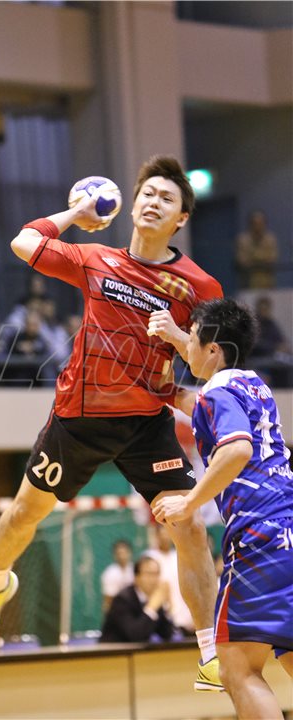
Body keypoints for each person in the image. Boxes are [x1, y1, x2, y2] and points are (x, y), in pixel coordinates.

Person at [0, 155, 224, 690]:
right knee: (23, 516)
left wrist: (178, 340)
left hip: (147, 422)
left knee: (191, 527)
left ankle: (209, 653)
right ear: (131, 203)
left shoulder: (199, 287)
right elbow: (24, 243)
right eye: (147, 193)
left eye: (166, 198)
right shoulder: (95, 258)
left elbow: (211, 365)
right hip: (79, 418)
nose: (153, 202)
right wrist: (76, 213)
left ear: (181, 219)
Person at [153, 298, 293, 717]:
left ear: (213, 348)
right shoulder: (254, 385)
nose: (187, 346)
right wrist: (168, 373)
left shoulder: (218, 391)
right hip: (288, 530)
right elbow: (201, 405)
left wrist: (188, 502)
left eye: (192, 339)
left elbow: (236, 449)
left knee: (235, 668)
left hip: (260, 537)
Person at [100, 555, 174, 644]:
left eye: (157, 574)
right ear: (136, 578)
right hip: (112, 650)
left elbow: (166, 634)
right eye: (149, 574)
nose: (154, 579)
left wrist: (167, 606)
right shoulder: (122, 600)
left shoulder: (154, 600)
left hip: (139, 651)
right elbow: (135, 636)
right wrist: (151, 607)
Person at [147, 523, 194, 635]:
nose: (165, 537)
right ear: (156, 536)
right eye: (162, 534)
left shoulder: (179, 555)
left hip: (183, 611)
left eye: (167, 534)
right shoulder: (150, 557)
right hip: (161, 613)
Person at [235, 210, 278, 289]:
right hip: (248, 282)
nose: (258, 227)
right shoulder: (243, 240)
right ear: (250, 224)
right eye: (255, 223)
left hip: (267, 282)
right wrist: (262, 259)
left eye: (260, 223)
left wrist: (253, 258)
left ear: (265, 224)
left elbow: (272, 260)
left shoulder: (270, 239)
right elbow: (243, 262)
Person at [100, 540, 135, 612]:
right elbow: (108, 599)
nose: (122, 556)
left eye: (124, 553)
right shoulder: (109, 573)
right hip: (117, 609)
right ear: (115, 555)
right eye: (119, 553)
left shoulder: (136, 570)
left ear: (130, 553)